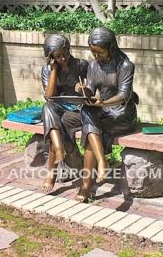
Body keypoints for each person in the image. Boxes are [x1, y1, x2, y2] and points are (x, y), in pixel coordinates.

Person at [75, 27, 138, 202]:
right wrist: (82, 90)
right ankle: (102, 162)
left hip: (122, 113)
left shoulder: (125, 65)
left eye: (99, 53)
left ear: (111, 48)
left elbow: (124, 96)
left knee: (91, 131)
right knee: (88, 111)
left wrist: (103, 103)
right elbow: (91, 91)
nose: (96, 57)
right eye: (93, 53)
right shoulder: (93, 65)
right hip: (102, 111)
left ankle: (85, 186)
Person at [41, 34, 88, 192]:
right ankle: (59, 149)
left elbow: (94, 89)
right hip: (58, 107)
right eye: (58, 56)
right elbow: (49, 95)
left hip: (78, 110)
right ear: (50, 58)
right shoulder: (47, 69)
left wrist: (83, 89)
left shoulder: (81, 65)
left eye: (65, 53)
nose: (64, 58)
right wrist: (54, 70)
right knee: (47, 107)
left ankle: (51, 173)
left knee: (60, 123)